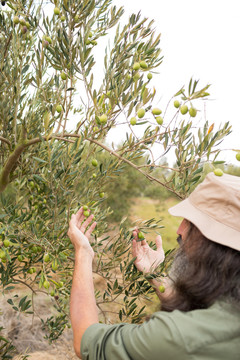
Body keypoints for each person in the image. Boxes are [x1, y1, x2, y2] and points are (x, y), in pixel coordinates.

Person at [67, 172, 240, 360]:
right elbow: (208, 312)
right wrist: (154, 275)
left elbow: (86, 341)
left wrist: (84, 252)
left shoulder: (178, 338)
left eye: (190, 222)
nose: (179, 230)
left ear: (212, 244)